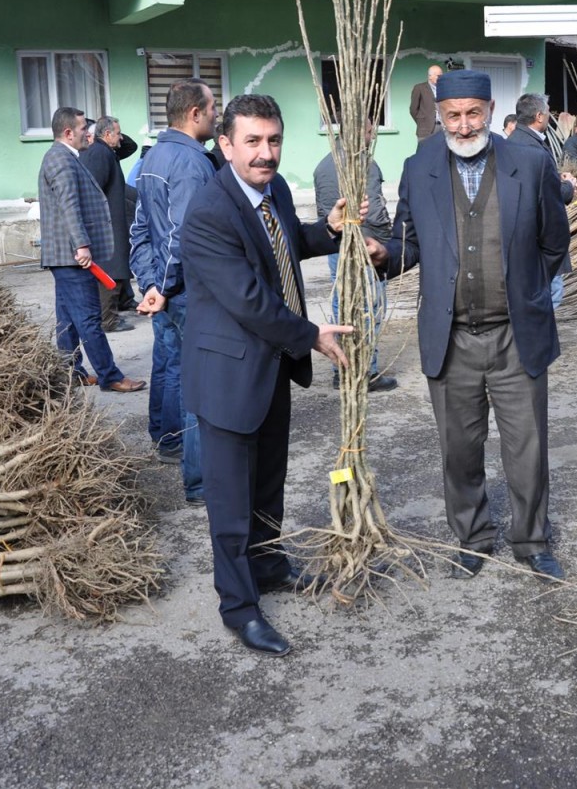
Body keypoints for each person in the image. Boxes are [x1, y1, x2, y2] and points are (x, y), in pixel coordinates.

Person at [369, 69, 571, 582]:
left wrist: (525, 290)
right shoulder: (419, 167)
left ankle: (530, 539)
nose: (462, 126)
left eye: (472, 113)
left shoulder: (529, 161)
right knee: (458, 449)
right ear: (439, 114)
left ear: (489, 109)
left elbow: (554, 241)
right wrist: (381, 255)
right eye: (452, 115)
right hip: (451, 339)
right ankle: (474, 537)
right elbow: (408, 244)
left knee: (527, 448)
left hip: (515, 337)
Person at [182, 93, 357, 657]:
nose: (265, 153)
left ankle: (270, 565)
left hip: (270, 369)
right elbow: (250, 298)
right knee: (230, 503)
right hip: (228, 375)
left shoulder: (273, 190)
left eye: (273, 140)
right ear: (225, 144)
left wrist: (324, 230)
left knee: (267, 487)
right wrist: (312, 336)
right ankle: (238, 607)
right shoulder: (209, 210)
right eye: (252, 141)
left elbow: (280, 246)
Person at [131, 78, 220, 503]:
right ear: (195, 114)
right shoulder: (189, 163)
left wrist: (148, 282)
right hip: (184, 290)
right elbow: (182, 235)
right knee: (197, 381)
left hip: (164, 288)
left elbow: (140, 231)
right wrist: (162, 286)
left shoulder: (154, 156)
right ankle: (200, 480)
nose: (217, 115)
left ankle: (167, 441)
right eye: (213, 108)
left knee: (169, 364)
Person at [38, 106, 146, 393]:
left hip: (65, 255)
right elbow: (69, 207)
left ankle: (71, 371)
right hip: (72, 256)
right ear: (68, 132)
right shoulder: (61, 160)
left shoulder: (64, 157)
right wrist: (83, 245)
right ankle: (110, 376)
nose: (89, 132)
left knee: (68, 318)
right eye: (84, 127)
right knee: (88, 318)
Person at [313, 116, 398, 393]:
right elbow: (373, 209)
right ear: (358, 130)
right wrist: (385, 239)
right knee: (369, 308)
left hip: (336, 244)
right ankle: (367, 371)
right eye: (370, 130)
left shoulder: (324, 163)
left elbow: (322, 212)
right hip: (365, 243)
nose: (373, 136)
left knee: (343, 306)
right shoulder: (363, 164)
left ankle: (342, 370)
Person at [507, 93, 576, 308]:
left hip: (520, 237)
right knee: (551, 292)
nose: (548, 117)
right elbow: (552, 196)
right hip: (540, 237)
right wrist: (569, 186)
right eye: (547, 113)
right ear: (539, 116)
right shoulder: (535, 149)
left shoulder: (512, 142)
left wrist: (556, 177)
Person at [80, 115, 134, 333]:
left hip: (111, 222)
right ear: (107, 134)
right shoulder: (99, 153)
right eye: (118, 133)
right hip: (106, 224)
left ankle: (111, 316)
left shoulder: (106, 151)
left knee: (116, 270)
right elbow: (93, 191)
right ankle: (108, 320)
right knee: (110, 271)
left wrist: (108, 130)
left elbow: (130, 145)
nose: (121, 138)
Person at [409, 64, 443, 143]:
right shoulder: (419, 88)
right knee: (425, 153)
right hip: (425, 129)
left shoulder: (443, 88)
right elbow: (413, 110)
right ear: (430, 76)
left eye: (441, 76)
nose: (440, 78)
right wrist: (422, 122)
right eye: (438, 76)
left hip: (442, 128)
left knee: (441, 154)